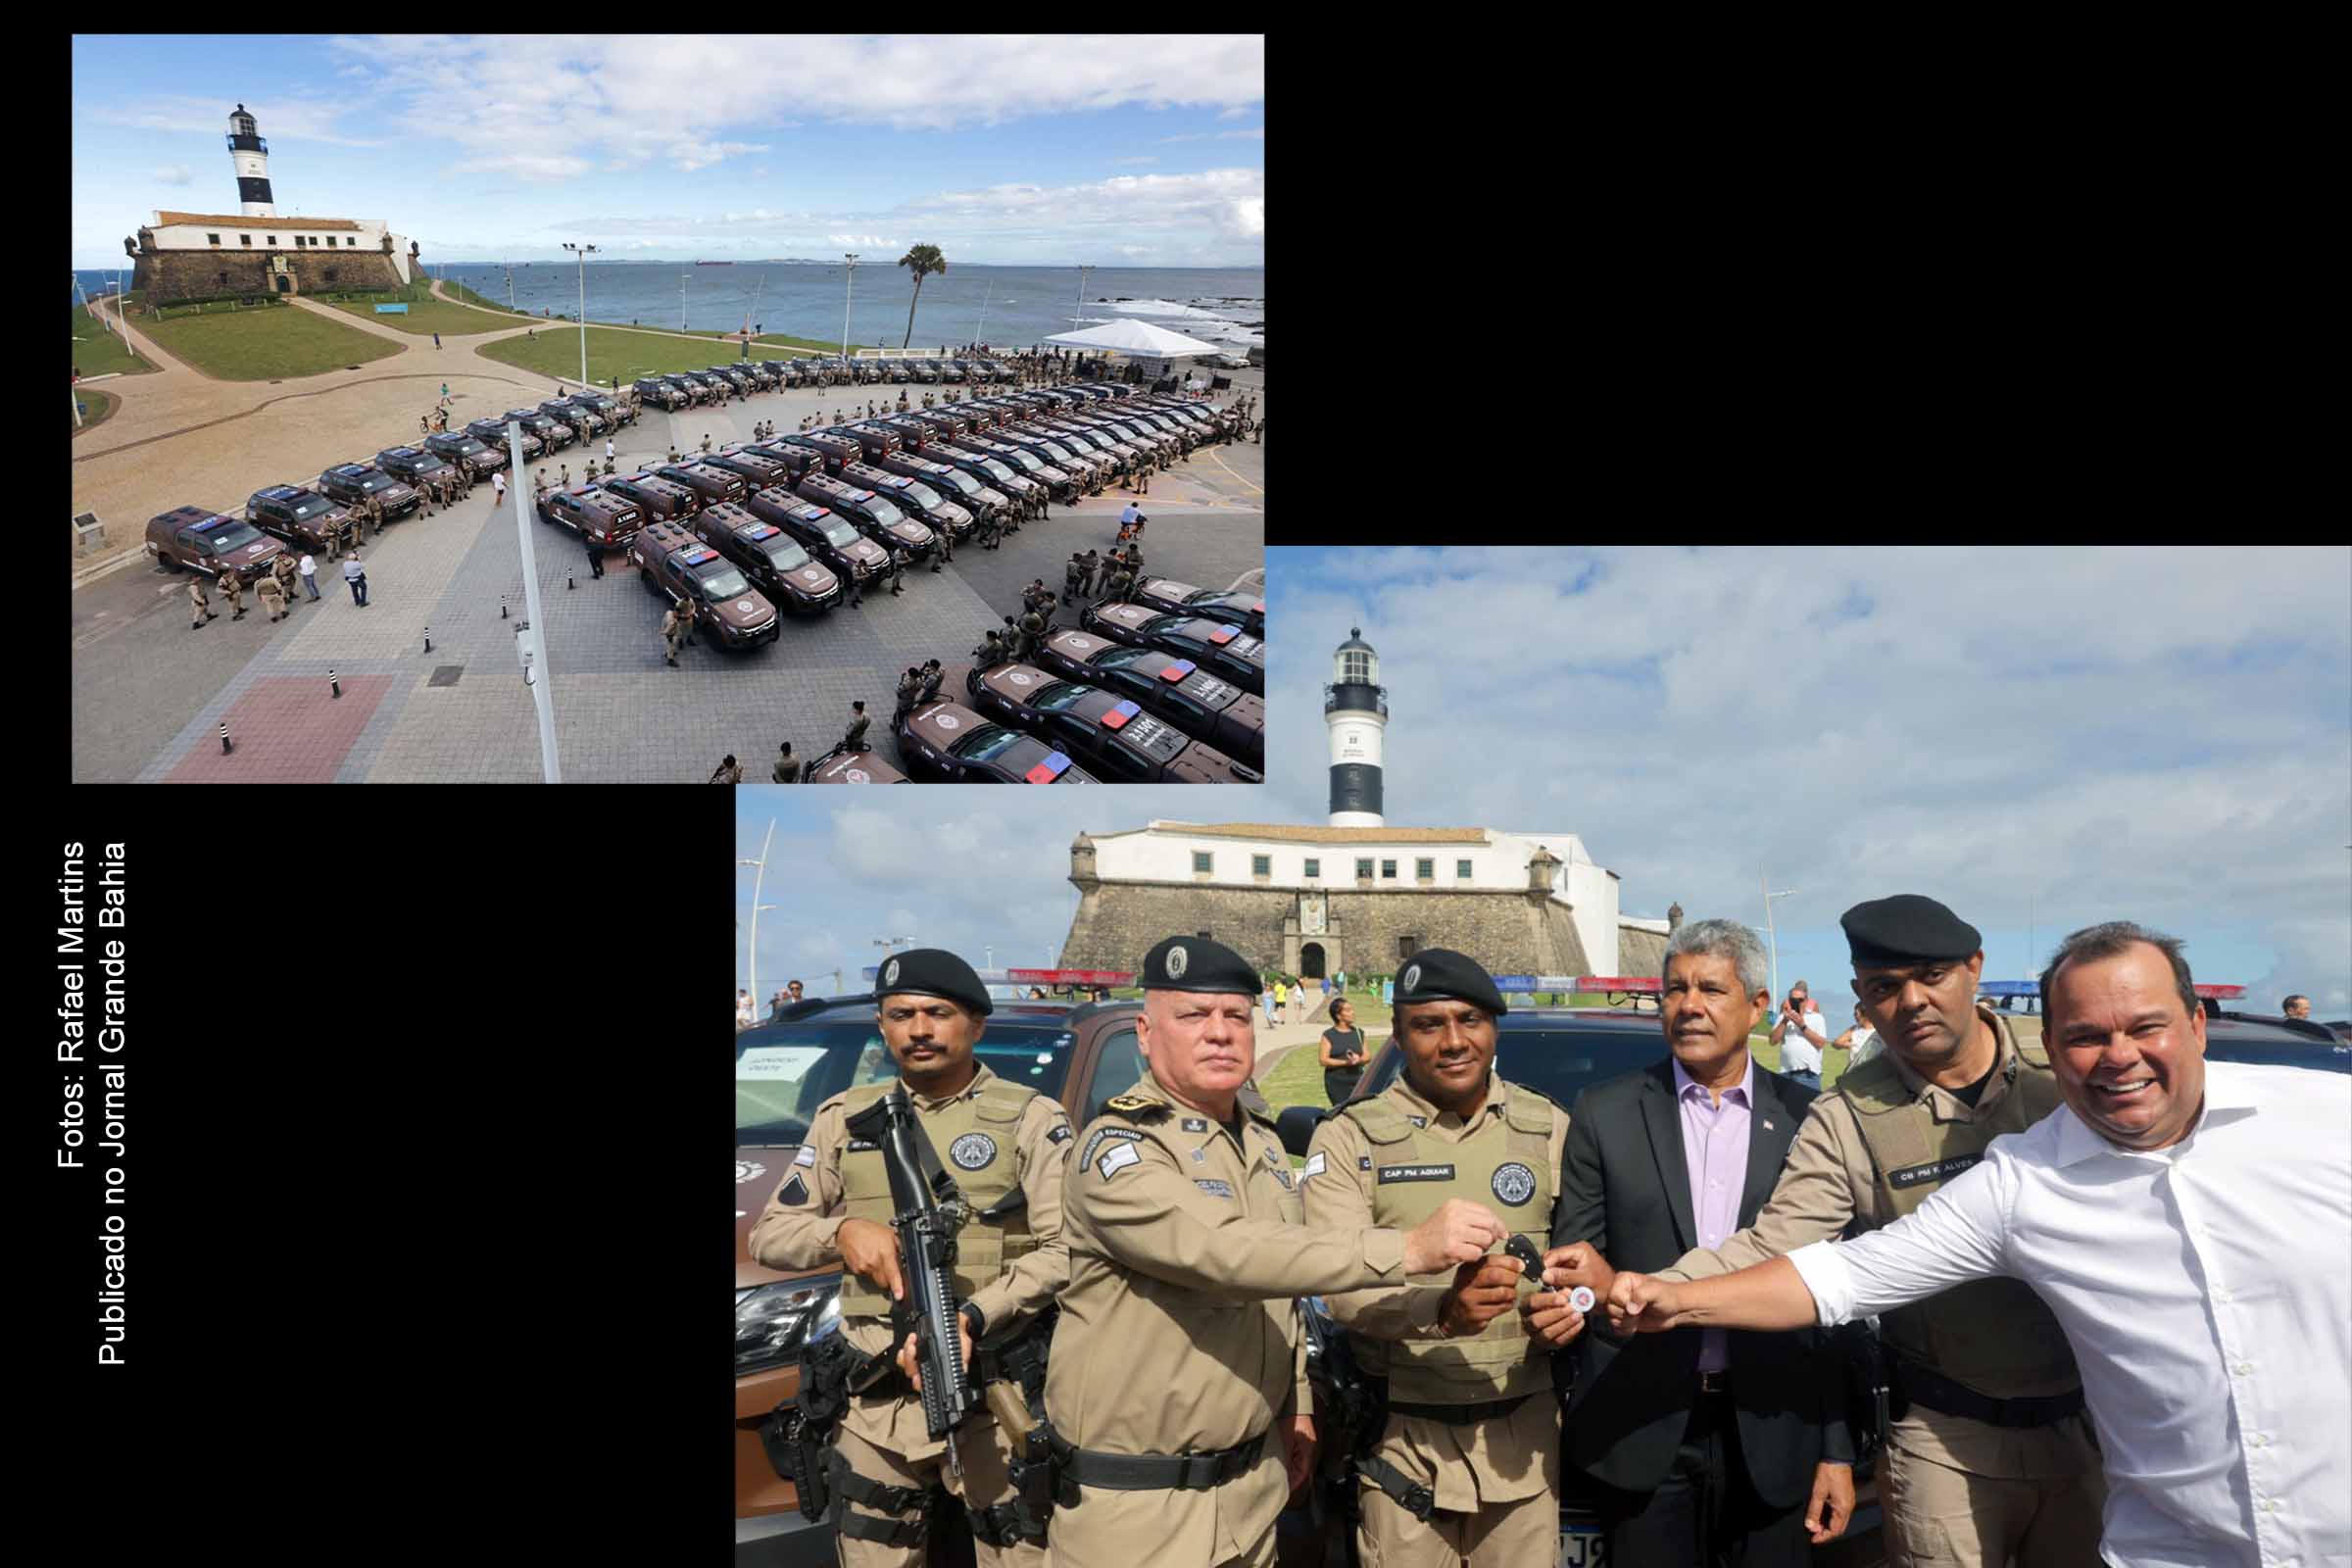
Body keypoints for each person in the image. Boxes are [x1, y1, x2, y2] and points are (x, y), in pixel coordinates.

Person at [1604, 920, 2352, 1568]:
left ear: (2195, 1023)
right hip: (2089, 1502)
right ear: (2056, 1050)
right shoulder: (2022, 1181)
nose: (2117, 1055)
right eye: (2087, 1037)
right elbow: (1841, 1272)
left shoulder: (2324, 1119)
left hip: (2138, 1461)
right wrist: (1673, 1294)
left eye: (2144, 1027)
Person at [1629, 895, 2104, 1568]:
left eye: (1932, 976)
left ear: (1974, 968)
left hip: (2097, 1423)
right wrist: (1658, 1289)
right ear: (1862, 998)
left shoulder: (2064, 1060)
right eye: (1886, 987)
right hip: (1946, 1436)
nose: (1911, 1001)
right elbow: (1779, 1241)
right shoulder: (1849, 1114)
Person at [1043, 936, 1510, 1568]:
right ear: (1148, 1035)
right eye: (1193, 1017)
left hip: (1251, 1492)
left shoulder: (1257, 1142)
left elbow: (1283, 1290)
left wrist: (1298, 1405)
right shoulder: (1117, 1148)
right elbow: (1223, 1252)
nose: (1219, 1034)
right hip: (1138, 1505)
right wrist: (1408, 1247)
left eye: (1235, 1017)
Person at [1535, 918, 1855, 1565]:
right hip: (1641, 1431)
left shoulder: (1812, 1117)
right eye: (1674, 990)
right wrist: (1599, 1304)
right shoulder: (1605, 1113)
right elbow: (1581, 1271)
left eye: (1710, 988)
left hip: (1777, 1430)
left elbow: (1835, 1292)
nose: (1688, 1006)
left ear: (1759, 1006)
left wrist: (1837, 1447)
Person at [748, 948, 1071, 1566]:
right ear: (883, 1026)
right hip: (874, 1404)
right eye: (900, 1015)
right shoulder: (843, 1119)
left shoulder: (1032, 1118)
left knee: (1021, 1551)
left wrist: (974, 1315)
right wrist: (840, 1233)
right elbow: (771, 1234)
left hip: (993, 1397)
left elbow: (1068, 1251)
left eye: (936, 1013)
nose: (918, 1029)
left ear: (976, 1024)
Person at [1303, 950, 1571, 1568]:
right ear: (1398, 1036)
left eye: (1470, 1020)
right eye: (1429, 1025)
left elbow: (1590, 1257)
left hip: (1525, 1446)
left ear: (1493, 1029)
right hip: (1401, 1446)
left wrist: (1573, 1307)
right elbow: (1336, 1282)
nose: (1454, 1041)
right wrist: (1443, 1312)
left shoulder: (1549, 1126)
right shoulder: (1348, 1136)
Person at [1770, 979, 1829, 1089]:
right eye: (1793, 1000)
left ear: (1807, 1000)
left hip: (1808, 1074)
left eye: (1800, 1000)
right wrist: (1784, 1021)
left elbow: (1820, 1043)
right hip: (1786, 1073)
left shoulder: (1817, 1017)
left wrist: (1802, 1026)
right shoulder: (1783, 1017)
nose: (1797, 1002)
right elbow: (1772, 1041)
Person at [1318, 999, 1368, 1106]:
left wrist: (1359, 1059)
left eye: (1352, 1009)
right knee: (1342, 1112)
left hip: (1358, 1081)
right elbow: (1323, 1060)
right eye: (1348, 1010)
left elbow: (1367, 1056)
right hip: (1337, 1083)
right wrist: (1346, 1062)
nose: (1352, 1012)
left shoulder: (1359, 1033)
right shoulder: (1328, 1035)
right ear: (1338, 1016)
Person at [1830, 1003, 1883, 1069]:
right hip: (1854, 1069)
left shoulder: (1879, 1031)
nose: (1854, 1016)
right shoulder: (1854, 1029)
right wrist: (1849, 1045)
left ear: (1865, 1015)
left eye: (1856, 1014)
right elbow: (1835, 1043)